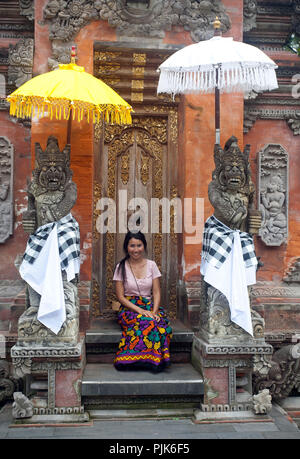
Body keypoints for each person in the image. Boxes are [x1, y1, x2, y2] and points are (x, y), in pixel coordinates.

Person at [113, 231, 172, 372]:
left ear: (144, 246)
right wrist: (141, 311)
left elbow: (156, 291)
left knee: (159, 323)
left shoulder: (151, 265)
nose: (136, 249)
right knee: (146, 322)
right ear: (127, 247)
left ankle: (155, 360)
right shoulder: (121, 267)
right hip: (129, 308)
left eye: (139, 245)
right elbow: (120, 297)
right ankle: (133, 361)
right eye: (132, 245)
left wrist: (154, 311)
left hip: (149, 305)